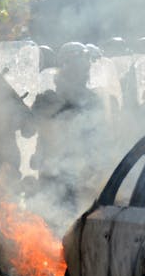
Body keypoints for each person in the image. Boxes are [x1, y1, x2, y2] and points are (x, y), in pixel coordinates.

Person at [30, 42, 108, 213]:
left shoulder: (92, 100)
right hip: (52, 174)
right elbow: (31, 130)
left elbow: (99, 138)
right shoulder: (48, 98)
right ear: (66, 67)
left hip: (82, 175)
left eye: (84, 66)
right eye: (78, 66)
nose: (84, 71)